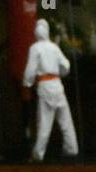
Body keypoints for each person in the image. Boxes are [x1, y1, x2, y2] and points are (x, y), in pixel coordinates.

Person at [23, 17, 79, 162]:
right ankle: (72, 148)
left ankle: (38, 154)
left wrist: (27, 82)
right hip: (57, 85)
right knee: (65, 120)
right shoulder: (54, 47)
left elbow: (30, 70)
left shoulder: (35, 48)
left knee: (45, 123)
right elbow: (66, 65)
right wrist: (60, 73)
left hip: (45, 86)